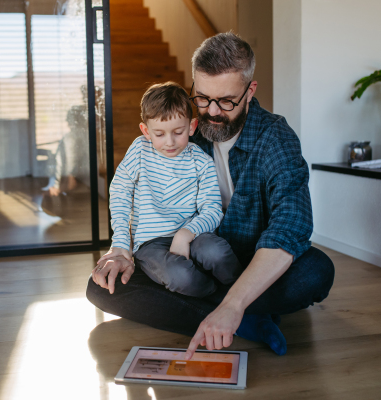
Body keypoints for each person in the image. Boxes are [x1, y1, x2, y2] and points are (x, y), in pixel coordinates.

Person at [87, 32, 335, 358]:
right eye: (202, 98)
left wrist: (234, 300)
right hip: (193, 262)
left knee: (315, 273)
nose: (213, 112)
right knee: (102, 287)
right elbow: (132, 194)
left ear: (250, 92)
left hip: (249, 262)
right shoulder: (185, 133)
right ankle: (246, 318)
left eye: (227, 101)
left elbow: (291, 226)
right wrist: (121, 248)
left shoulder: (276, 138)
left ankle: (225, 308)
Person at [98, 82, 243, 299]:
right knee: (182, 277)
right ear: (146, 131)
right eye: (159, 134)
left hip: (194, 233)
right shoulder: (139, 150)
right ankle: (217, 299)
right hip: (150, 244)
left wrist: (186, 234)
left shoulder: (201, 161)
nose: (170, 142)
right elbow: (120, 193)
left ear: (192, 127)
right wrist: (120, 241)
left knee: (217, 253)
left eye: (178, 132)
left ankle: (244, 294)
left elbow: (212, 210)